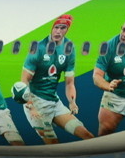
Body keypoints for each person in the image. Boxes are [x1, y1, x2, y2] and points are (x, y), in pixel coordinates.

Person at [16, 15, 91, 143]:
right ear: (52, 28)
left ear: (67, 29)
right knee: (54, 145)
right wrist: (30, 106)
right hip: (35, 102)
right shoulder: (38, 48)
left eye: (63, 28)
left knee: (87, 135)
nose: (58, 31)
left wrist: (72, 102)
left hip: (55, 103)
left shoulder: (69, 48)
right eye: (56, 27)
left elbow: (69, 83)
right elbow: (24, 82)